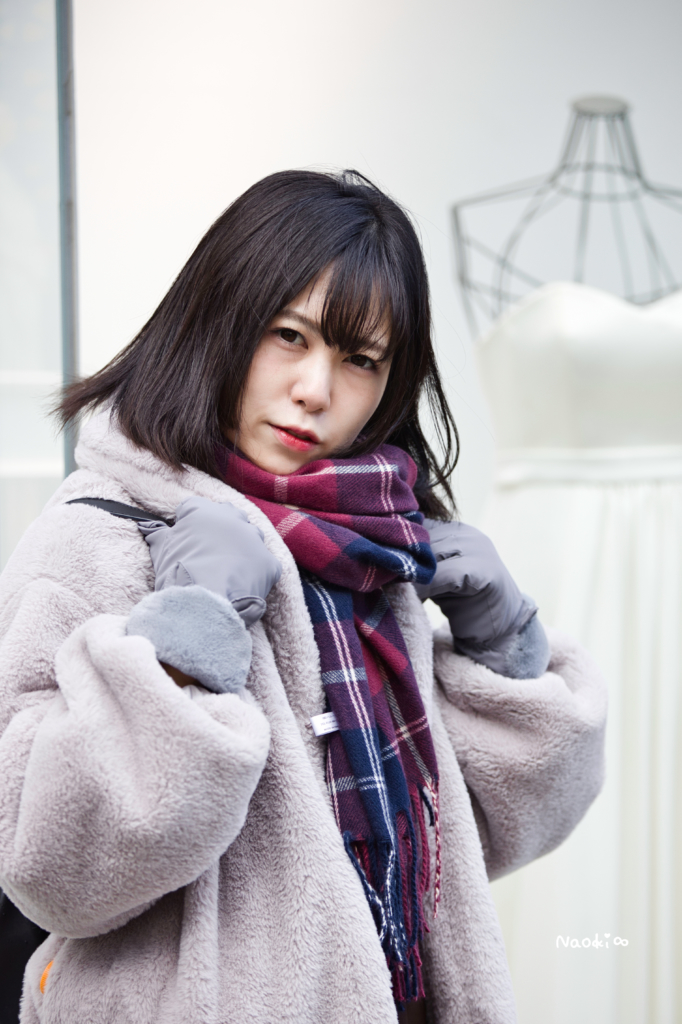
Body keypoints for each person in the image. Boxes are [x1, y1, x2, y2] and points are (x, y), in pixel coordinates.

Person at [0, 170, 606, 1024]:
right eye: (290, 335)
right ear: (219, 320)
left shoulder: (378, 549)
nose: (317, 390)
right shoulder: (101, 531)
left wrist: (503, 643)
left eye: (360, 360)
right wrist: (187, 645)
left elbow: (477, 838)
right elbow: (50, 870)